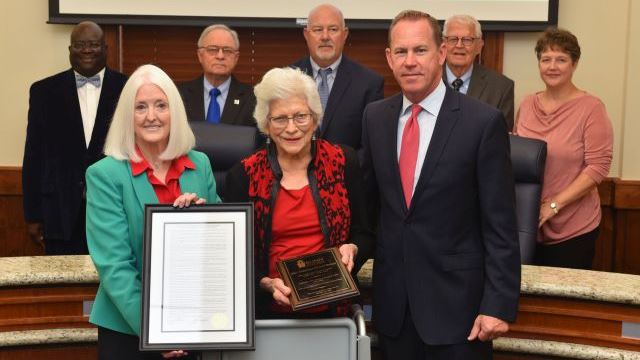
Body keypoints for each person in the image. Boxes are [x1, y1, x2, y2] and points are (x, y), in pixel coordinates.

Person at [361, 10, 520, 360]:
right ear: (389, 58)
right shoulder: (375, 117)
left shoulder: (482, 123)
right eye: (401, 52)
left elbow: (501, 225)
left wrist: (498, 304)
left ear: (442, 53)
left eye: (420, 50)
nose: (410, 62)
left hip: (459, 314)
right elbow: (371, 211)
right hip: (395, 313)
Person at [86, 64, 220, 359]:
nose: (151, 116)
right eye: (140, 107)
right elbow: (115, 266)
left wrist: (206, 218)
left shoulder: (201, 165)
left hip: (195, 327)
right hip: (129, 331)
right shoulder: (105, 175)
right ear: (127, 116)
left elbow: (221, 248)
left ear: (175, 112)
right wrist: (155, 330)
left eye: (161, 105)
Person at [223, 67, 372, 319]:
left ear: (315, 119)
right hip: (269, 313)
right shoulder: (244, 176)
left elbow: (366, 233)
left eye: (301, 116)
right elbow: (233, 256)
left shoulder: (343, 162)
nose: (291, 128)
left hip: (333, 312)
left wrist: (354, 248)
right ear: (266, 126)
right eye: (280, 119)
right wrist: (264, 283)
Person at [22, 21, 127, 255]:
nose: (87, 50)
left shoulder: (128, 88)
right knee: (63, 287)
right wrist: (32, 214)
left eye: (94, 44)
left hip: (114, 211)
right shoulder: (43, 92)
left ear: (106, 49)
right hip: (58, 214)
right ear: (70, 50)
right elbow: (33, 155)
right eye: (80, 45)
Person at [514, 28, 613, 270]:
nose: (552, 66)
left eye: (561, 59)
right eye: (545, 59)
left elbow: (598, 167)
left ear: (575, 63)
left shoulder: (591, 108)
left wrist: (554, 205)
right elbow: (517, 157)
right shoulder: (527, 104)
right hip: (527, 224)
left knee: (561, 305)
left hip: (573, 229)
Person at [291, 3, 384, 150]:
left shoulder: (369, 84)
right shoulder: (287, 79)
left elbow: (370, 148)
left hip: (346, 171)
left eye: (333, 29)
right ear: (306, 35)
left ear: (345, 34)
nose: (325, 36)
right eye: (317, 30)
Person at [441, 15, 515, 131]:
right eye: (453, 39)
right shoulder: (426, 80)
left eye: (467, 40)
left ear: (479, 47)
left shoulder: (501, 88)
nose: (459, 45)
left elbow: (500, 140)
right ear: (443, 45)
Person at [178, 24, 256, 125]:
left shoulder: (253, 98)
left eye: (227, 51)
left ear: (236, 58)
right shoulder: (179, 95)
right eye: (213, 49)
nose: (220, 56)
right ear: (200, 55)